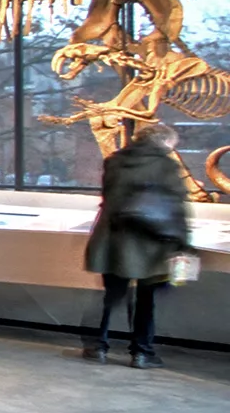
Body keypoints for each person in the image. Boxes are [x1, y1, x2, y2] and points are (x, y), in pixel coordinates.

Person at [82, 120, 193, 367]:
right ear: (164, 141)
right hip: (151, 242)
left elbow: (109, 197)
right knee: (146, 299)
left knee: (111, 296)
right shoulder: (165, 165)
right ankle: (142, 352)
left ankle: (97, 346)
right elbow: (176, 206)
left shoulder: (114, 161)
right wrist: (184, 242)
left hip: (112, 237)